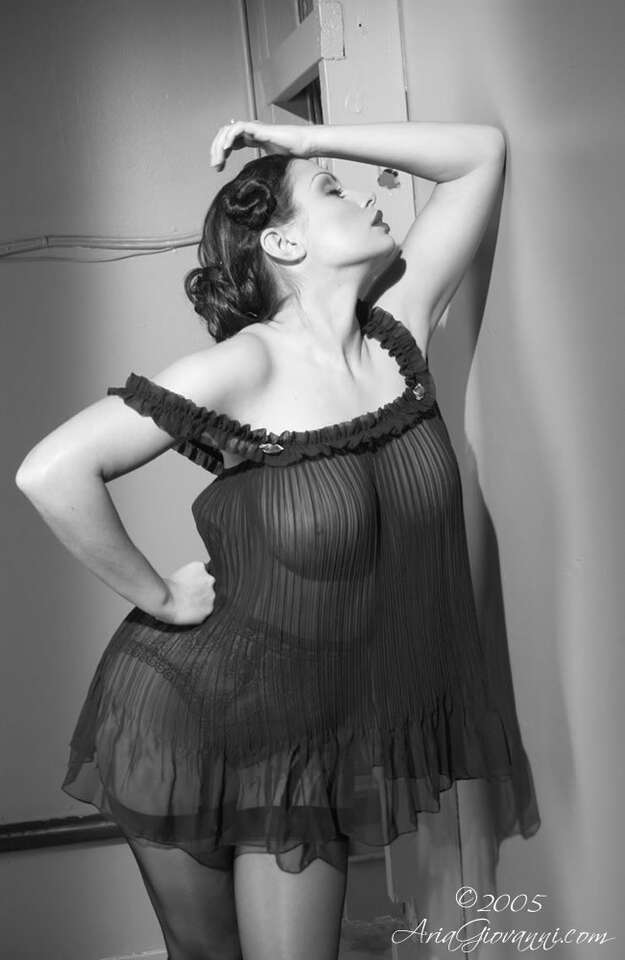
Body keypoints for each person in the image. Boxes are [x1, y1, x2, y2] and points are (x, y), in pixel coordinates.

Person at [15, 119, 540, 960]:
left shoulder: (399, 331)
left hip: (309, 739)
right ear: (282, 242)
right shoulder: (244, 367)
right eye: (331, 189)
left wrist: (295, 138)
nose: (362, 194)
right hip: (187, 716)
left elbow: (479, 153)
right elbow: (51, 471)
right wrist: (159, 596)